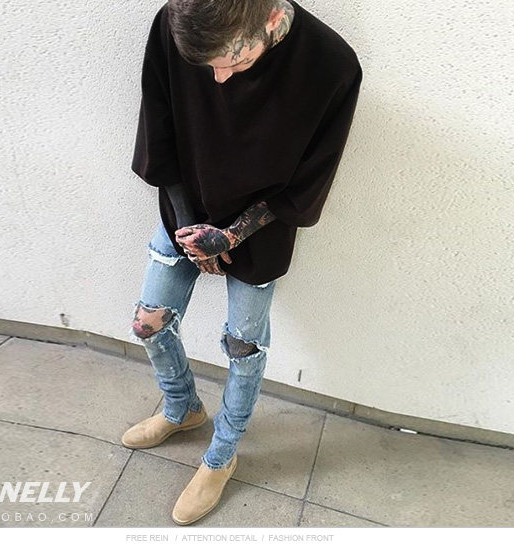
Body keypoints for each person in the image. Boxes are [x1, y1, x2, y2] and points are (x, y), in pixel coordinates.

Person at [122, 0, 362, 525]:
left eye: (235, 62)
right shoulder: (177, 21)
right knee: (147, 321)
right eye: (205, 68)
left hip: (263, 229)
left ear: (272, 18)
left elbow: (309, 180)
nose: (219, 79)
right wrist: (193, 231)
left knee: (243, 347)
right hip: (184, 211)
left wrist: (231, 235)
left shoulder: (333, 66)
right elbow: (160, 130)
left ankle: (221, 456)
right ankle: (183, 408)